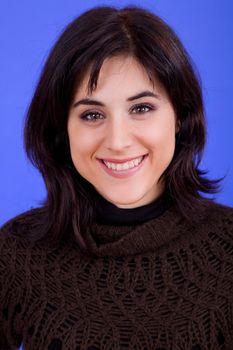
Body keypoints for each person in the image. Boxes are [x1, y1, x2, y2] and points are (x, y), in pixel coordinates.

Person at [0, 5, 233, 350]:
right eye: (92, 114)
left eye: (141, 109)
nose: (118, 141)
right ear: (62, 131)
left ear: (180, 117)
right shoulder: (17, 254)